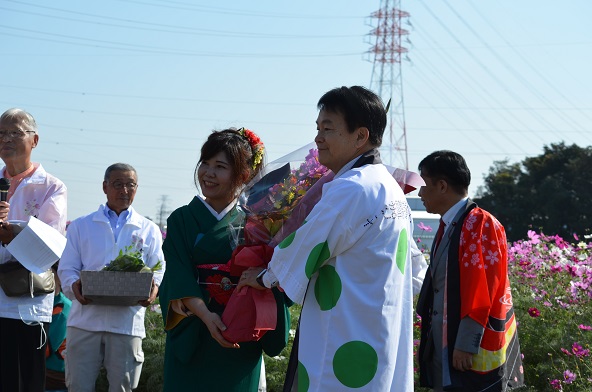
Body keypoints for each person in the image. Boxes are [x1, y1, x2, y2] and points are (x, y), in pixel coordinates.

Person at [238, 86, 426, 391]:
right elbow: (416, 269)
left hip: (344, 331)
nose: (318, 139)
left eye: (328, 129)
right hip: (376, 332)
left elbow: (305, 247)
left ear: (360, 136)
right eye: (318, 128)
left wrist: (263, 276)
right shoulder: (389, 187)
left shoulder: (352, 187)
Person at [159, 128, 291, 392]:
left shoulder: (259, 223)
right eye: (205, 164)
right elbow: (179, 274)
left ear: (243, 175)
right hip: (194, 328)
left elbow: (276, 275)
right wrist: (208, 317)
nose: (208, 173)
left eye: (220, 167)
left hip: (240, 330)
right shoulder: (181, 219)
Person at [415, 150, 524, 391]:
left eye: (424, 184)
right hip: (447, 341)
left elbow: (481, 287)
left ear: (442, 186)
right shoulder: (453, 222)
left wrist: (466, 343)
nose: (420, 193)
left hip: (470, 349)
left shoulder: (479, 223)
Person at [58, 163, 164, 392]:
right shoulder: (81, 226)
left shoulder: (148, 229)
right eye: (118, 184)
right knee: (78, 385)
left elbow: (158, 268)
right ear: (105, 187)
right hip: (85, 321)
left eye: (131, 185)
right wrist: (73, 286)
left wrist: (153, 289)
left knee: (123, 387)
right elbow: (67, 268)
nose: (125, 190)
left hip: (126, 323)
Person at [0, 108, 68, 392]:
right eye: (2, 133)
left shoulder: (52, 187)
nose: (7, 139)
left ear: (34, 140)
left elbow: (52, 246)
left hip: (25, 303)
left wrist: (10, 234)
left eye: (15, 132)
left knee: (23, 382)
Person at [45, 263, 71, 392]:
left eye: (49, 271)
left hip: (55, 380)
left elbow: (45, 350)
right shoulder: (44, 303)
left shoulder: (63, 308)